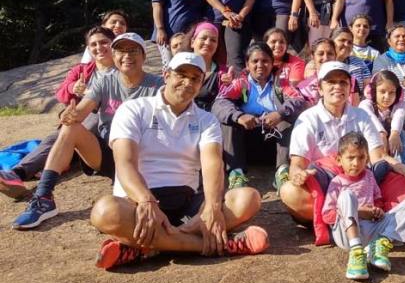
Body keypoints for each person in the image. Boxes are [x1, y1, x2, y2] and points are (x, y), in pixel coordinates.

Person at [89, 52, 268, 270]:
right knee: (104, 211)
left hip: (186, 200)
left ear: (201, 83)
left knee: (248, 198)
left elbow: (213, 164)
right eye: (181, 74)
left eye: (195, 78)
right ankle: (221, 245)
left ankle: (144, 246)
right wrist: (146, 201)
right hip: (138, 201)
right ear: (166, 75)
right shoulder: (133, 109)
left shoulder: (207, 120)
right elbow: (124, 163)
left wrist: (211, 207)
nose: (187, 82)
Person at [11, 33, 163, 229]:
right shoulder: (104, 81)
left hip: (141, 157)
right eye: (121, 51)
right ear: (113, 55)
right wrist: (70, 115)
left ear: (144, 56)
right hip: (108, 154)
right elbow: (80, 112)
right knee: (70, 128)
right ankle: (43, 197)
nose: (127, 56)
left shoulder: (157, 86)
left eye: (133, 50)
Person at [279, 61, 405, 224]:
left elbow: (378, 156)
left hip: (359, 185)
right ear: (319, 88)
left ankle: (344, 216)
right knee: (289, 191)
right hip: (324, 186)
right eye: (331, 82)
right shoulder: (308, 119)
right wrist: (297, 175)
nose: (337, 86)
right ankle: (349, 214)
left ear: (349, 87)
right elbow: (297, 163)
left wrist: (403, 169)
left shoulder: (361, 115)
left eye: (343, 82)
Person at [0, 27, 117, 200]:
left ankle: (25, 175)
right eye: (93, 44)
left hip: (105, 123)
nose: (99, 47)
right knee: (55, 137)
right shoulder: (83, 71)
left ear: (113, 44)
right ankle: (19, 173)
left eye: (104, 42)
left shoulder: (123, 69)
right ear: (88, 49)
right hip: (79, 123)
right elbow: (61, 93)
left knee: (83, 124)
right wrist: (72, 88)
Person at [322, 132, 405, 281]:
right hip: (347, 235)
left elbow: (378, 199)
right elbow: (327, 215)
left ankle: (378, 247)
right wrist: (358, 212)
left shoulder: (369, 176)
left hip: (371, 230)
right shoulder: (337, 182)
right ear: (339, 160)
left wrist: (377, 210)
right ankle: (356, 253)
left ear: (367, 158)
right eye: (351, 158)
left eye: (361, 157)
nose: (356, 163)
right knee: (347, 195)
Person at [212, 42, 305, 190]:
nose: (260, 65)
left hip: (274, 145)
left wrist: (279, 114)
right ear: (247, 65)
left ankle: (282, 171)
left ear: (272, 63)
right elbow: (219, 104)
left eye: (265, 61)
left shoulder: (281, 83)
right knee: (229, 122)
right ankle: (236, 173)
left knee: (287, 120)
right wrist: (239, 116)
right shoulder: (240, 84)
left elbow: (299, 101)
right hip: (246, 145)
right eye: (255, 61)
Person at [359, 71, 405, 165]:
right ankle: (375, 166)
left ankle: (402, 166)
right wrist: (381, 133)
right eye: (382, 92)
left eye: (391, 92)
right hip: (375, 140)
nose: (387, 97)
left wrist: (395, 133)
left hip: (393, 139)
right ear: (373, 91)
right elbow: (371, 119)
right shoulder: (365, 104)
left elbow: (399, 116)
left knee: (401, 133)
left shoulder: (400, 105)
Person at [297, 38, 358, 106]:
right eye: (320, 54)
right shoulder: (304, 87)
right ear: (313, 56)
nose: (326, 58)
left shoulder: (351, 81)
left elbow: (355, 107)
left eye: (330, 54)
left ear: (335, 56)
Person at [189, 22, 231, 111]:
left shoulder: (225, 72)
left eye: (213, 40)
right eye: (203, 38)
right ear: (192, 42)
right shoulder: (179, 69)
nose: (208, 43)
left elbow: (242, 98)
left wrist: (236, 87)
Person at [331, 27, 371, 93]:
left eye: (350, 42)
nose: (346, 45)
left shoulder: (359, 63)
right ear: (332, 42)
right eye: (342, 40)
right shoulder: (324, 63)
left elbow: (368, 90)